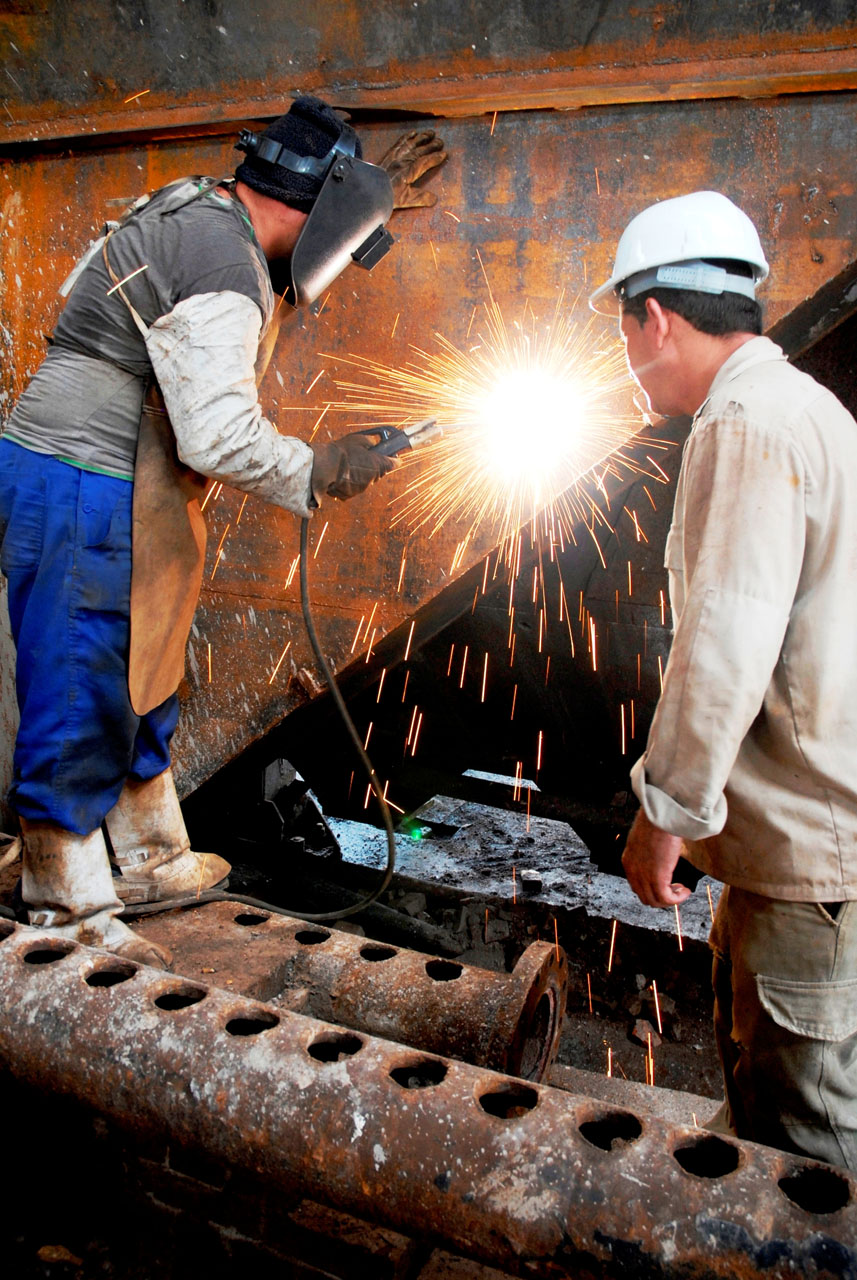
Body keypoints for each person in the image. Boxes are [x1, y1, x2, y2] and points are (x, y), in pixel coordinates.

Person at [0, 96, 442, 970]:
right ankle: (65, 900)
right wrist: (317, 470)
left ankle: (151, 857)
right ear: (317, 213)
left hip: (114, 476)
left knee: (145, 663)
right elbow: (214, 434)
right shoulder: (226, 266)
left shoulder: (193, 204)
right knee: (85, 674)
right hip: (89, 477)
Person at [590, 191, 857, 1171]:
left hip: (807, 855)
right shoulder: (806, 408)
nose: (624, 350)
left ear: (652, 317)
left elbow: (725, 643)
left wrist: (662, 810)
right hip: (809, 838)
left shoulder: (740, 424)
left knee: (807, 1157)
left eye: (621, 326)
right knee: (764, 1107)